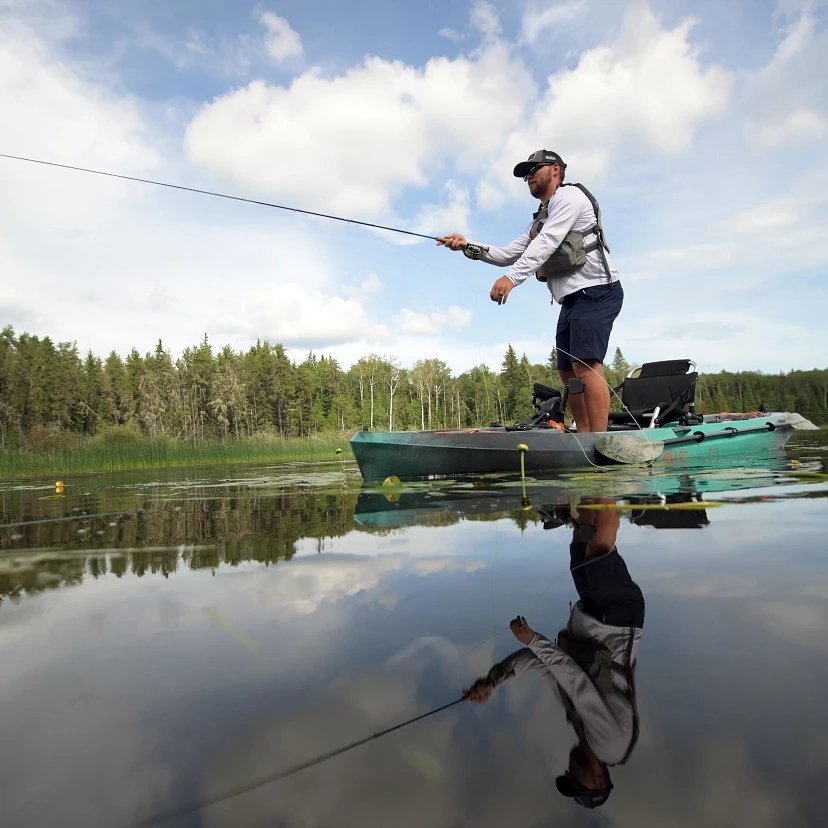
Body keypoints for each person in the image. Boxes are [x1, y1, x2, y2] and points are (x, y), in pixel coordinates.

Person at [463, 497, 644, 809]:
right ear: (600, 780)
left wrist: (494, 680)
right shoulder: (610, 746)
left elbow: (541, 665)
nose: (571, 773)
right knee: (598, 552)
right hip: (616, 622)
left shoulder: (580, 725)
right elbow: (575, 679)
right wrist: (533, 639)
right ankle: (607, 489)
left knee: (580, 548)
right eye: (579, 782)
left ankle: (589, 492)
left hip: (595, 617)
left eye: (568, 778)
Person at [437, 150, 623, 432]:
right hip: (572, 299)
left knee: (585, 365)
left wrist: (511, 279)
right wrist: (466, 245)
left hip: (597, 290)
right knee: (566, 370)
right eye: (526, 173)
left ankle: (599, 438)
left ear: (556, 170)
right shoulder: (541, 218)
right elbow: (506, 253)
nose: (529, 176)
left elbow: (547, 243)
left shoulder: (570, 198)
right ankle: (583, 435)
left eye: (534, 168)